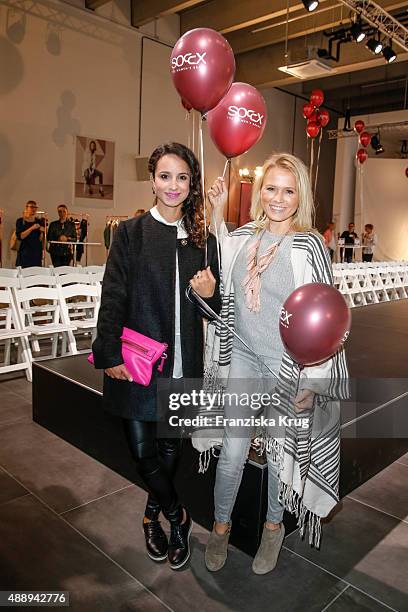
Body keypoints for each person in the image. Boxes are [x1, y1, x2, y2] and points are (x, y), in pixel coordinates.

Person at [203, 153, 348, 575]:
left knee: (277, 455)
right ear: (259, 191)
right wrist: (215, 209)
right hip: (245, 359)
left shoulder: (309, 246)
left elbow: (327, 318)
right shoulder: (246, 237)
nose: (278, 198)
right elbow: (222, 251)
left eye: (288, 190)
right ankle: (220, 526)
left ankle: (272, 527)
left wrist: (315, 382)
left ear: (299, 195)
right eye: (271, 188)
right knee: (232, 451)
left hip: (287, 368)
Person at [91, 142, 221, 570]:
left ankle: (152, 517)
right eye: (164, 176)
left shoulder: (204, 240)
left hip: (184, 365)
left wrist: (210, 295)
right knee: (142, 452)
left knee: (168, 450)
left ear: (191, 184)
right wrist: (107, 350)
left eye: (182, 177)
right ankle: (177, 514)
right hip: (136, 363)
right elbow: (113, 295)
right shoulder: (130, 233)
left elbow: (216, 311)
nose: (173, 185)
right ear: (151, 181)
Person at [15, 201, 44, 268]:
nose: (34, 209)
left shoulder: (39, 221)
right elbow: (21, 236)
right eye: (31, 207)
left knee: (35, 276)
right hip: (24, 255)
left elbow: (41, 239)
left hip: (36, 255)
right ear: (26, 208)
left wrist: (43, 231)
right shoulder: (20, 221)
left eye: (35, 207)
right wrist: (32, 228)